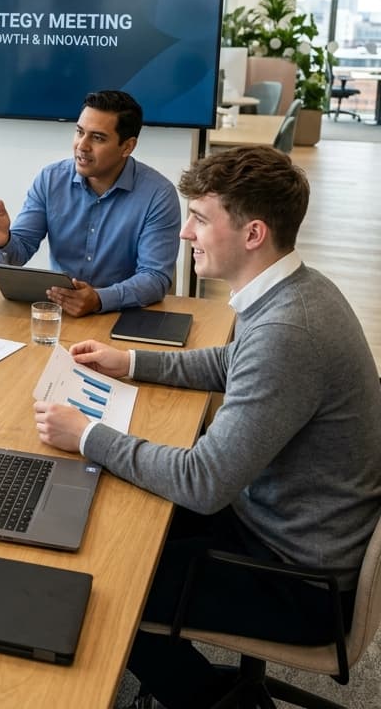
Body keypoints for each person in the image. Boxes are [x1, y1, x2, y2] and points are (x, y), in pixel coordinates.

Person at [34, 145, 381, 709]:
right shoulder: (295, 289)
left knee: (104, 590)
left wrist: (87, 434)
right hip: (282, 525)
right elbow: (231, 363)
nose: (185, 234)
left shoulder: (289, 331)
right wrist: (132, 362)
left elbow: (203, 481)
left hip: (297, 580)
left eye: (199, 219)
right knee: (112, 526)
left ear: (252, 234)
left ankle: (221, 702)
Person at [0, 90, 179, 316]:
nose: (82, 145)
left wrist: (100, 299)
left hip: (124, 315)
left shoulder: (158, 195)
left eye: (98, 138)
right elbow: (18, 255)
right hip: (62, 313)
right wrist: (5, 241)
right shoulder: (51, 179)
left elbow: (155, 278)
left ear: (127, 147)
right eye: (79, 132)